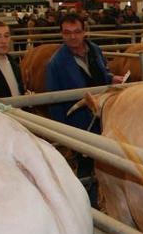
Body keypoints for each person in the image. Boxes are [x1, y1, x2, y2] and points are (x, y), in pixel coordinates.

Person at [46, 14, 123, 206]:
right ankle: (88, 206)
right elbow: (54, 100)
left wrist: (112, 79)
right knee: (85, 166)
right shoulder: (56, 64)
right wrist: (63, 135)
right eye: (67, 33)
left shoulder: (95, 50)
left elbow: (102, 74)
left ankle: (108, 199)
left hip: (103, 116)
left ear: (84, 31)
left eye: (77, 32)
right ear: (61, 35)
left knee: (107, 161)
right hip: (79, 122)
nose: (73, 37)